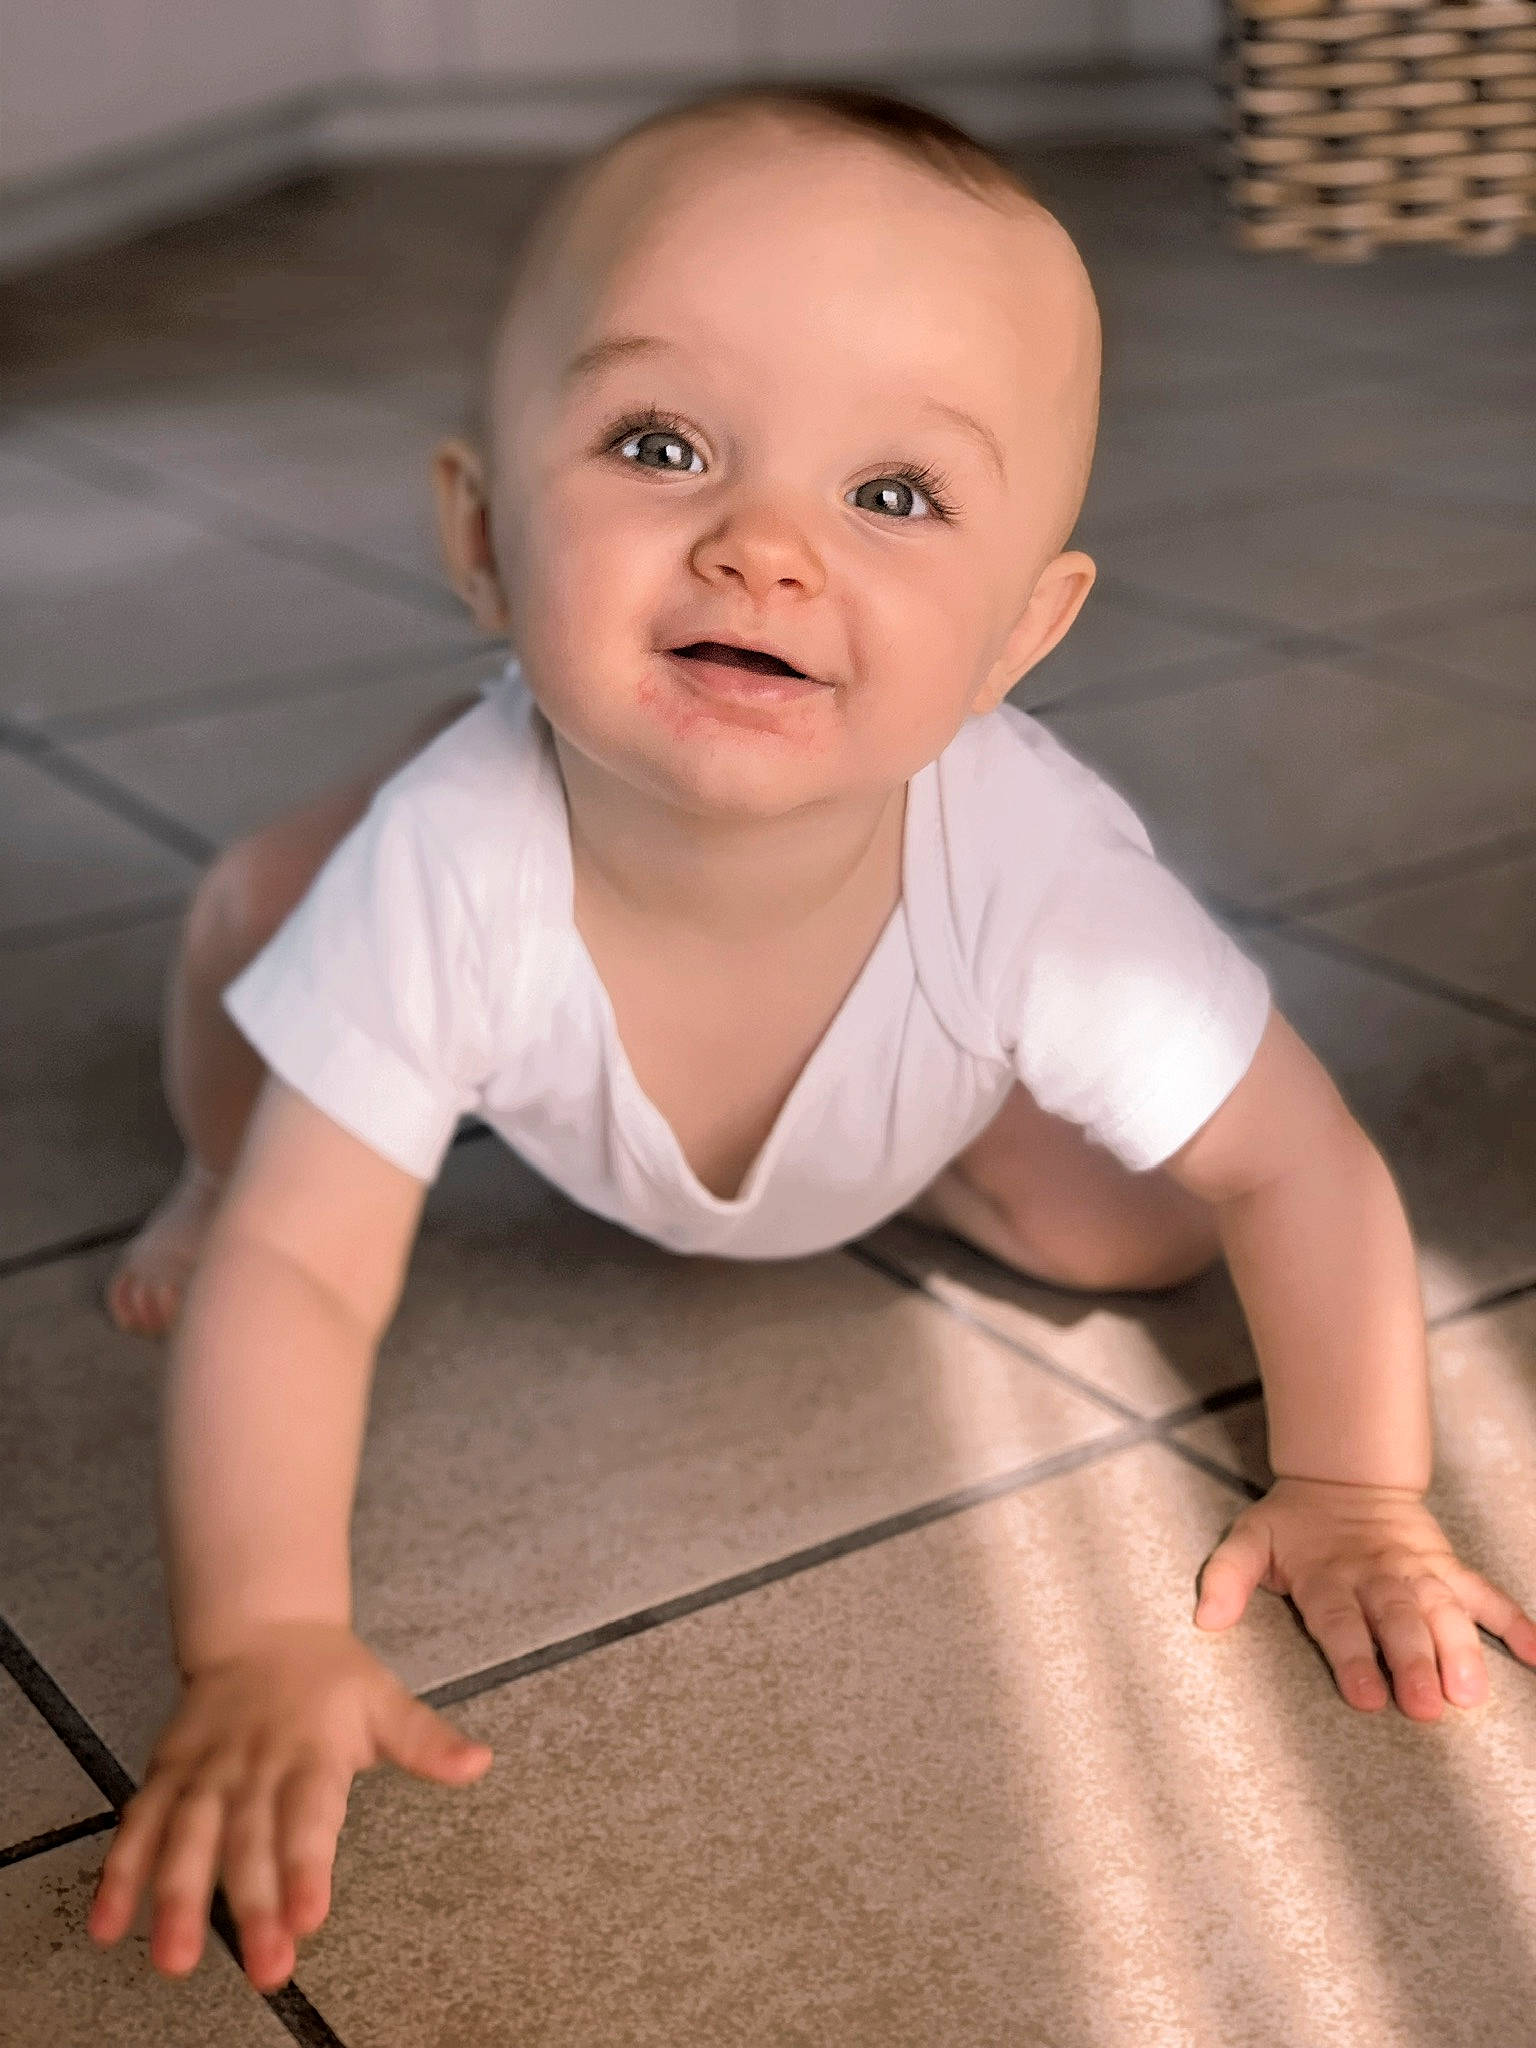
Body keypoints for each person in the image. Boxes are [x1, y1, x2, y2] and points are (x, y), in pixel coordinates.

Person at [88, 81, 1536, 1995]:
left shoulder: (1034, 874)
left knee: (1149, 1228)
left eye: (893, 494)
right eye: (662, 442)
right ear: (484, 535)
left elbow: (1296, 1163)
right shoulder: (454, 859)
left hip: (926, 1067)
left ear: (1025, 632)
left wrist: (1357, 1487)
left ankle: (905, 1110)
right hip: (479, 934)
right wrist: (263, 1636)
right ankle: (230, 1127)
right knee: (256, 923)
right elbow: (299, 1271)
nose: (765, 548)